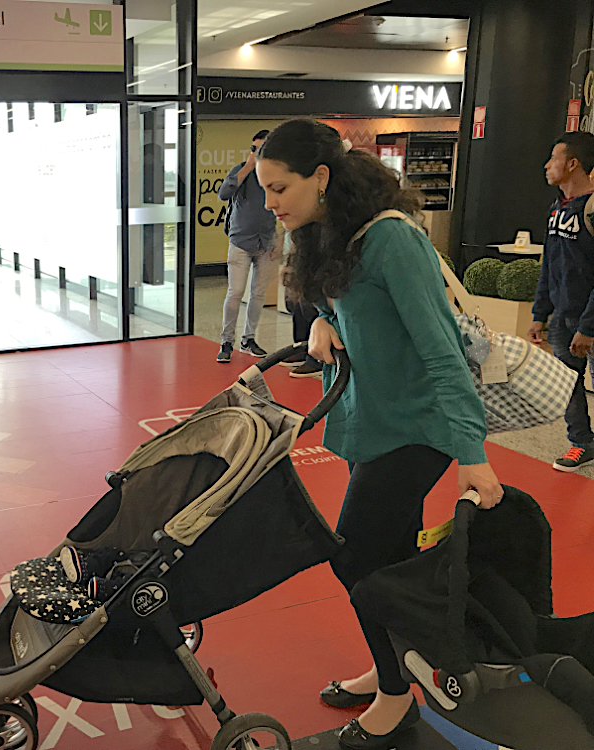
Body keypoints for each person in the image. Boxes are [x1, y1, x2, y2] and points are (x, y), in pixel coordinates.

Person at [257, 119, 503, 749]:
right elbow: (342, 304)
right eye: (265, 189)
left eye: (280, 187)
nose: (270, 202)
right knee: (389, 558)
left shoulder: (392, 239)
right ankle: (393, 663)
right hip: (372, 419)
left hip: (415, 430)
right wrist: (320, 323)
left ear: (321, 177)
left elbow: (443, 351)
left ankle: (398, 693)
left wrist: (471, 456)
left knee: (356, 558)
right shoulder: (321, 233)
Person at [528, 132, 594, 472]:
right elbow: (549, 264)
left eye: (553, 158)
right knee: (569, 384)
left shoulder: (592, 210)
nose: (546, 166)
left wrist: (588, 327)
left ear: (573, 163)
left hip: (588, 321)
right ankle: (582, 442)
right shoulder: (558, 209)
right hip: (562, 319)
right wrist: (540, 313)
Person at [216, 130, 279, 363]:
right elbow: (224, 194)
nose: (256, 153)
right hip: (241, 240)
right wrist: (248, 167)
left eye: (261, 150)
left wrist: (279, 238)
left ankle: (249, 338)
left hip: (266, 241)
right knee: (235, 293)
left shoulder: (277, 174)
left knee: (259, 294)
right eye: (253, 149)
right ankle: (226, 341)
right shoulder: (241, 170)